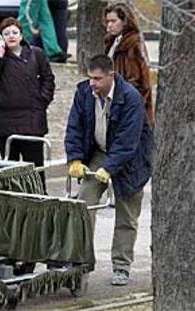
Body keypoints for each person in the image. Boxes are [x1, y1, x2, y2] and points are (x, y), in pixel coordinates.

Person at [64, 55, 152, 286]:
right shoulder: (84, 93)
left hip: (131, 159)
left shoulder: (130, 98)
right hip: (100, 152)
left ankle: (121, 266)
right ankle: (80, 263)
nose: (92, 83)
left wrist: (110, 168)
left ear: (111, 76)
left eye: (97, 78)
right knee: (84, 205)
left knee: (127, 214)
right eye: (90, 77)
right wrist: (74, 159)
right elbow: (74, 127)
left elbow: (128, 142)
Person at [0, 16, 55, 192]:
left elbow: (48, 79)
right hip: (6, 122)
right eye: (6, 33)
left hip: (32, 119)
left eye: (15, 32)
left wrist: (41, 100)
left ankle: (39, 198)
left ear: (21, 35)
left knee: (35, 167)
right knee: (10, 169)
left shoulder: (36, 54)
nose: (11, 36)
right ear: (1, 37)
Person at [104, 2, 154, 126]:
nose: (109, 25)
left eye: (113, 21)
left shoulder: (133, 44)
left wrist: (128, 107)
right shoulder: (112, 42)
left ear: (124, 21)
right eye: (108, 21)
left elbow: (139, 82)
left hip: (128, 108)